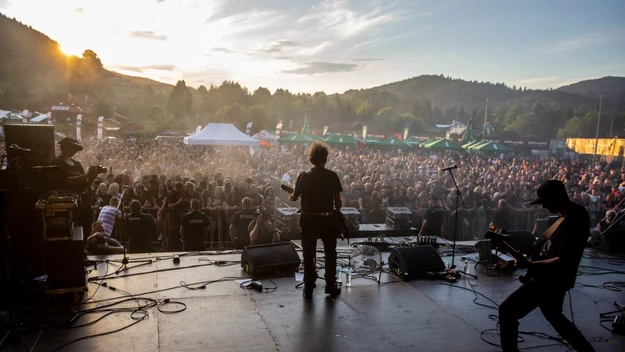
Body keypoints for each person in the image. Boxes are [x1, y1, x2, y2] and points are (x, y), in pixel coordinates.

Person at [498, 180, 595, 352]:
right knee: (555, 317)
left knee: (507, 311)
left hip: (552, 280)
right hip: (548, 277)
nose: (543, 206)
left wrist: (531, 265)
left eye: (545, 202)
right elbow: (550, 248)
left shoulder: (576, 217)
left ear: (557, 197)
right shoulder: (563, 216)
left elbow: (565, 259)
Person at [289, 141, 342, 299]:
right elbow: (338, 203)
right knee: (330, 252)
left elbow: (293, 198)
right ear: (325, 159)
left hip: (309, 220)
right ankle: (330, 285)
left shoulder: (304, 176)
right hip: (327, 219)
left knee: (308, 252)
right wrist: (333, 210)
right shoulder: (332, 176)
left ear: (311, 159)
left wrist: (291, 195)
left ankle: (309, 287)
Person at [53, 137, 102, 238]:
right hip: (67, 202)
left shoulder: (77, 164)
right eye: (73, 148)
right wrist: (87, 175)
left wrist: (92, 177)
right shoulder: (57, 162)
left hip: (82, 200)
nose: (75, 151)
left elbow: (85, 184)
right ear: (65, 147)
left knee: (86, 225)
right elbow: (66, 181)